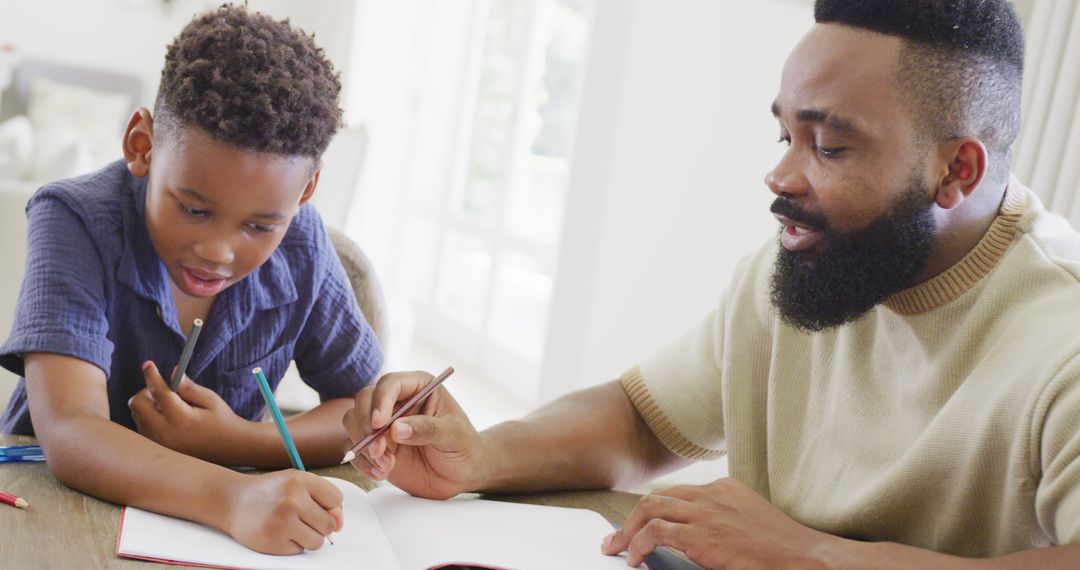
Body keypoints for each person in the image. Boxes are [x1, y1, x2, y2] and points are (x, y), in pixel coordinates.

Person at [343, 0, 1080, 567]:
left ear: (959, 169)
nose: (781, 176)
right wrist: (485, 456)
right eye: (784, 135)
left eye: (829, 146)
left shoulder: (1060, 341)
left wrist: (811, 556)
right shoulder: (802, 266)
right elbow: (641, 420)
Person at [0, 6, 382, 554]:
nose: (218, 251)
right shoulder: (74, 220)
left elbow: (358, 405)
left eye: (259, 225)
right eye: (194, 210)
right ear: (142, 145)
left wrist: (240, 441)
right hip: (52, 512)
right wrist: (233, 496)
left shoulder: (304, 243)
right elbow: (71, 431)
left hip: (223, 537)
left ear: (305, 190)